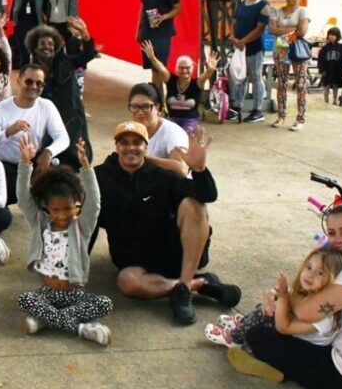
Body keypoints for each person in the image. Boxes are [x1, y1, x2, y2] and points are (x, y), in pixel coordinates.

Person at [230, 204, 342, 389]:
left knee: (259, 335)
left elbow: (305, 313)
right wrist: (283, 296)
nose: (338, 240)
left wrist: (283, 296)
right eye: (332, 233)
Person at [94, 120, 240, 325]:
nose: (131, 148)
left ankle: (184, 287)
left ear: (146, 147)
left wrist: (199, 170)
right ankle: (195, 284)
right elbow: (87, 220)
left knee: (194, 205)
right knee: (127, 283)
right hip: (133, 262)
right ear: (116, 146)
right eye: (124, 142)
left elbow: (206, 195)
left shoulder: (163, 176)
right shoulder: (99, 177)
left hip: (172, 254)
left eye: (137, 142)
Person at [16, 134, 113, 344]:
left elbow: (94, 203)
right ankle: (81, 328)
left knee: (105, 303)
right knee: (26, 299)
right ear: (47, 207)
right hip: (47, 292)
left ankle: (45, 320)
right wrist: (25, 164)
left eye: (67, 208)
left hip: (75, 295)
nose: (61, 214)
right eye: (56, 209)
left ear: (77, 203)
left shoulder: (82, 227)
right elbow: (23, 198)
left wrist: (86, 168)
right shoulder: (39, 222)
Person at [205, 246, 342, 347]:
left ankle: (233, 338)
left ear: (332, 280)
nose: (310, 275)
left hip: (300, 347)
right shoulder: (314, 294)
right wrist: (279, 296)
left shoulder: (326, 316)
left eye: (320, 273)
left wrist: (283, 297)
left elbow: (283, 328)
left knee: (266, 317)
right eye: (308, 267)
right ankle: (244, 324)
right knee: (268, 306)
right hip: (293, 333)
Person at [0, 64, 70, 205]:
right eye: (29, 81)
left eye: (39, 83)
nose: (34, 87)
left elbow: (63, 138)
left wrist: (48, 152)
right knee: (3, 210)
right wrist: (8, 132)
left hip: (33, 161)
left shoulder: (47, 106)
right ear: (18, 81)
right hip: (6, 165)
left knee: (62, 180)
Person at [27, 21, 96, 168]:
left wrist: (85, 36)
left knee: (75, 160)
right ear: (34, 48)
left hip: (72, 120)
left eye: (51, 44)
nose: (48, 47)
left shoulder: (65, 62)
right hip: (46, 124)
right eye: (43, 43)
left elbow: (88, 54)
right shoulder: (30, 71)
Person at [142, 42, 218, 134]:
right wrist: (152, 58)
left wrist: (210, 69)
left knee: (185, 134)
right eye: (181, 68)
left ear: (192, 68)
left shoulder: (197, 83)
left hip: (190, 120)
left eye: (187, 67)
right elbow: (161, 68)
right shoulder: (170, 80)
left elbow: (206, 75)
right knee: (167, 133)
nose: (184, 70)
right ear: (176, 69)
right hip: (172, 118)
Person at [228, 0, 270, 124]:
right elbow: (233, 23)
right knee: (239, 77)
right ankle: (237, 107)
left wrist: (243, 41)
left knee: (256, 77)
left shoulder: (263, 5)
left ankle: (257, 110)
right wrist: (233, 38)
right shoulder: (241, 4)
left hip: (254, 48)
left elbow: (259, 29)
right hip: (239, 48)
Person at [126, 83, 191, 176]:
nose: (140, 112)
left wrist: (144, 158)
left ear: (157, 107)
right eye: (135, 107)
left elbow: (181, 169)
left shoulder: (173, 132)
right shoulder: (130, 130)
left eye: (146, 107)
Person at [136, 0, 182, 92]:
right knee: (152, 68)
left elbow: (178, 9)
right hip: (147, 33)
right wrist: (138, 29)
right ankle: (157, 97)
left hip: (162, 34)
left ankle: (158, 97)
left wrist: (163, 17)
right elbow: (142, 7)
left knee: (159, 67)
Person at [269, 0, 310, 130]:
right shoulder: (276, 11)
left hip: (297, 51)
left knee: (300, 84)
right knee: (282, 83)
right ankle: (281, 116)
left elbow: (302, 31)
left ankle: (300, 118)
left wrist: (283, 31)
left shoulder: (302, 11)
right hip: (281, 51)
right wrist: (293, 29)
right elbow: (272, 29)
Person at [317, 26, 342, 104]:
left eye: (334, 35)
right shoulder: (325, 48)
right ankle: (326, 99)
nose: (331, 36)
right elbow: (320, 60)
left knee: (335, 85)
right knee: (326, 85)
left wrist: (341, 68)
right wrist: (322, 69)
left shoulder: (341, 48)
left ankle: (335, 99)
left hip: (337, 70)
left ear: (337, 36)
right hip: (327, 70)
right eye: (330, 34)